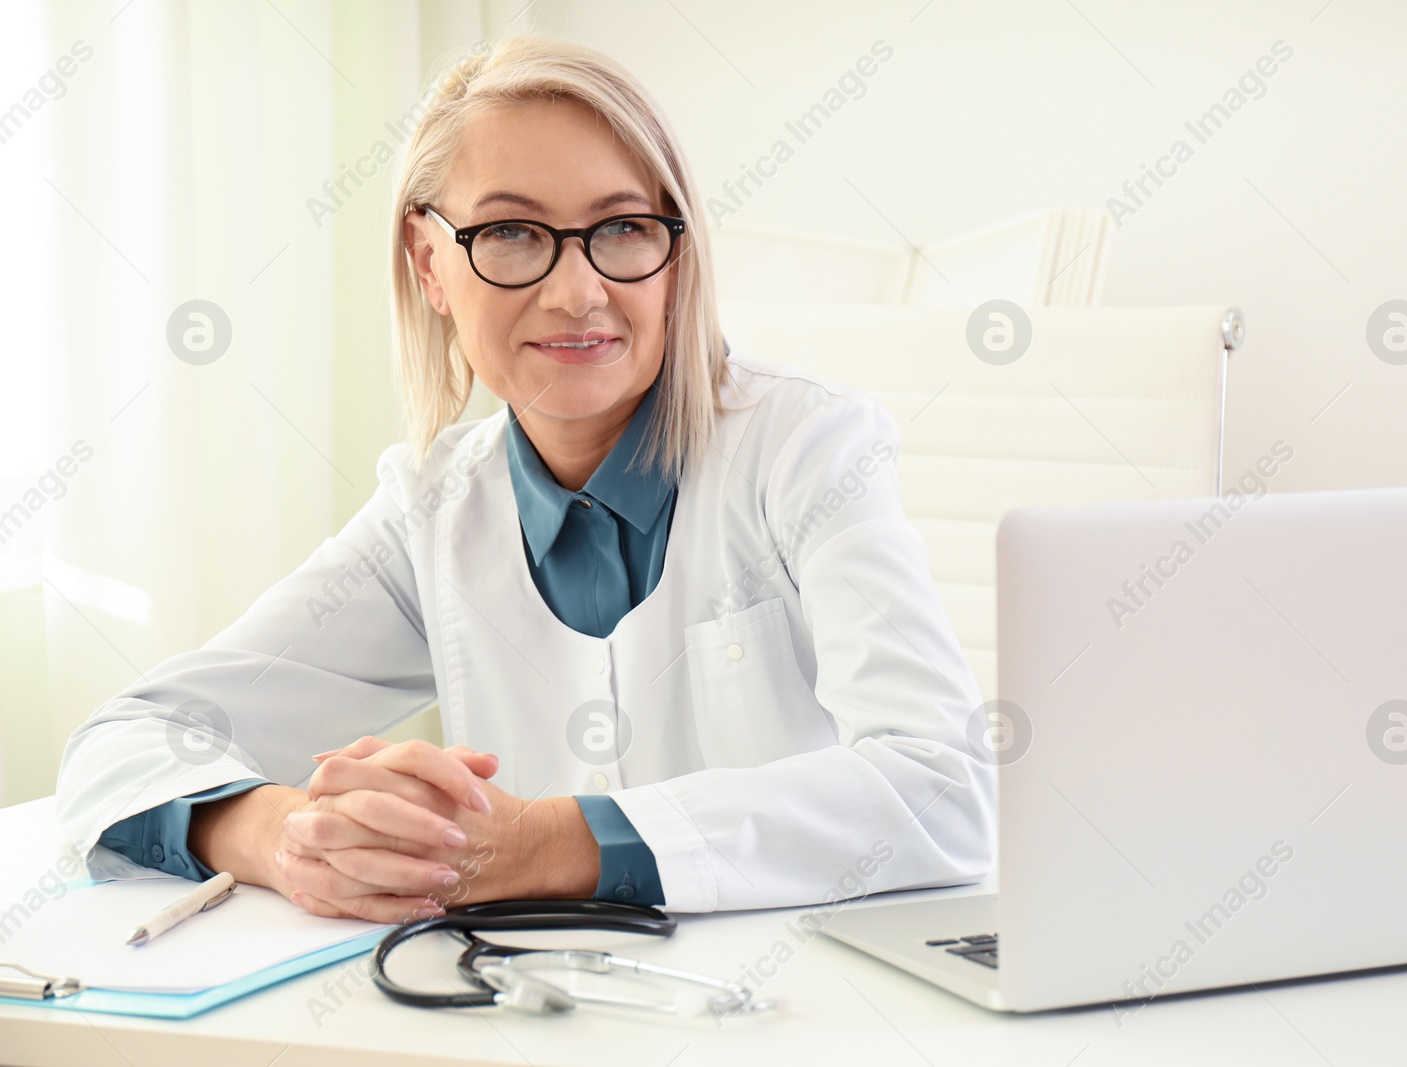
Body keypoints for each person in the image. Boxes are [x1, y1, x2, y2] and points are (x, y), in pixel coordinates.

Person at [54, 34, 993, 921]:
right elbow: (127, 740)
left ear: (677, 252)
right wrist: (289, 835)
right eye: (510, 233)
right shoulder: (432, 507)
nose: (579, 291)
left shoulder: (805, 449)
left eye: (623, 228)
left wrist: (541, 842)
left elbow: (941, 789)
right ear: (430, 262)